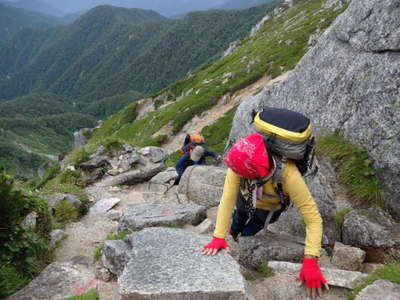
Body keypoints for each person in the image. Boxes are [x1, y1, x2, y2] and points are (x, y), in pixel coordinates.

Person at [201, 131, 329, 298]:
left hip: (269, 208)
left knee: (251, 229)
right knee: (238, 217)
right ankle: (234, 232)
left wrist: (311, 258)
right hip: (246, 197)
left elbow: (313, 219)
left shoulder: (289, 175)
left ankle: (242, 240)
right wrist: (218, 236)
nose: (241, 176)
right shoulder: (239, 164)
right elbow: (227, 198)